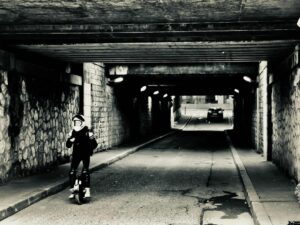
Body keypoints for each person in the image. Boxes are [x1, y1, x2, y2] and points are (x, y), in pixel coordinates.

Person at [66, 114, 98, 199]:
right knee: (72, 171)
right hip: (76, 154)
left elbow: (95, 145)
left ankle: (87, 190)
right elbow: (68, 145)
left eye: (78, 122)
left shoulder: (87, 131)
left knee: (85, 171)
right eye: (75, 122)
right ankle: (72, 190)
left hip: (85, 154)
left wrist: (91, 138)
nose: (76, 124)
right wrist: (70, 140)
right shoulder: (72, 132)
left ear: (82, 122)